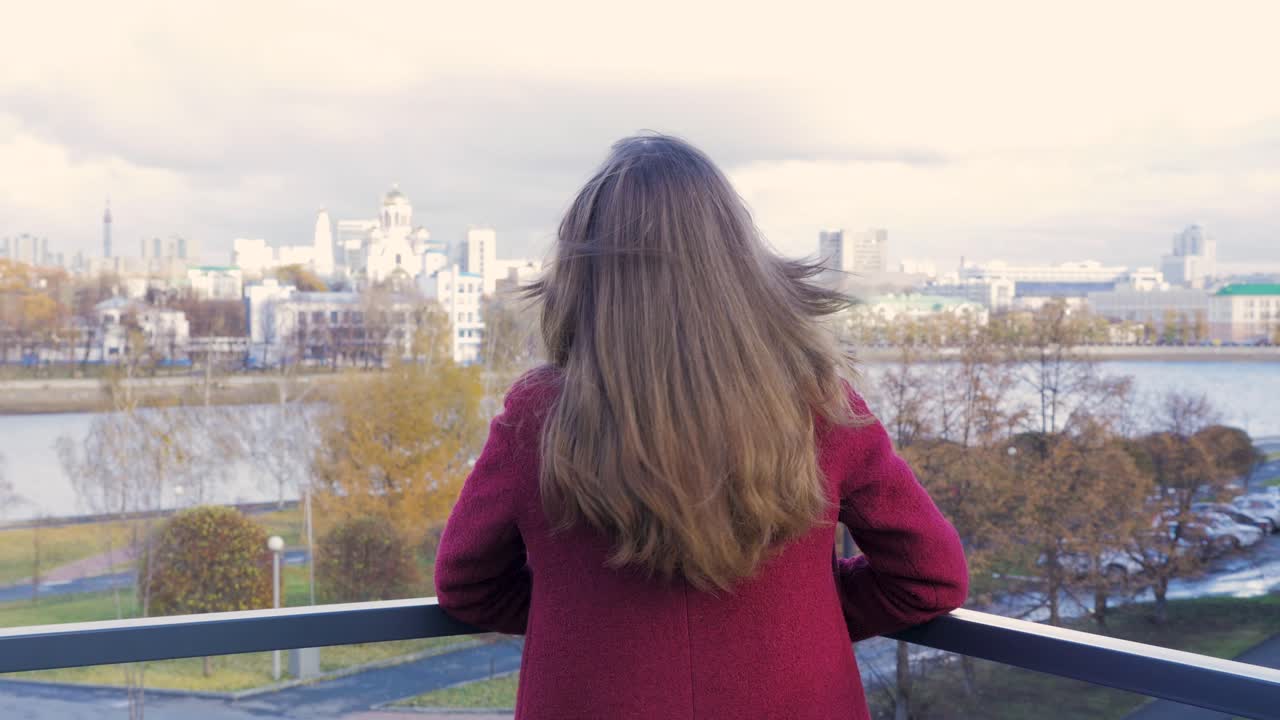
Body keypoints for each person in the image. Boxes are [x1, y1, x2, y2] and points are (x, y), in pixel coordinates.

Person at [435, 133, 967, 720]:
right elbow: (929, 578)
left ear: (584, 275)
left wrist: (582, 611)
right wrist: (802, 612)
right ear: (739, 268)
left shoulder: (538, 418)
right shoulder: (818, 406)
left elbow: (467, 585)